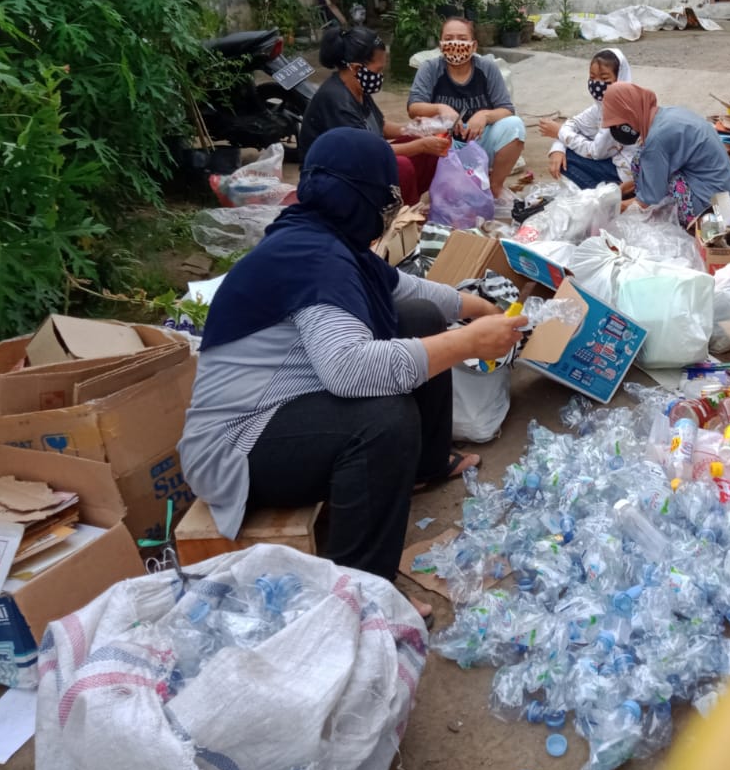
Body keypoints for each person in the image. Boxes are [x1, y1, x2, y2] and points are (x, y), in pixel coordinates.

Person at [179, 128, 527, 618]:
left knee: (422, 320)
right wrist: (467, 342)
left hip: (280, 409)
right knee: (384, 419)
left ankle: (425, 467)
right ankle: (363, 596)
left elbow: (410, 292)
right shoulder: (315, 257)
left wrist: (483, 310)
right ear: (359, 196)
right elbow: (348, 370)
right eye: (388, 197)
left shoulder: (322, 238)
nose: (391, 210)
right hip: (237, 443)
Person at [298, 25, 448, 205]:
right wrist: (421, 145)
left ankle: (405, 206)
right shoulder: (336, 100)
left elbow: (379, 125)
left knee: (429, 150)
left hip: (359, 163)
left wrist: (413, 129)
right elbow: (368, 152)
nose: (381, 76)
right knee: (402, 166)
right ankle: (400, 220)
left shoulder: (357, 88)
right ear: (355, 68)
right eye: (378, 71)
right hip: (331, 179)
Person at [407, 17, 526, 204]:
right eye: (449, 38)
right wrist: (440, 108)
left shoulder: (487, 68)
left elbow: (506, 109)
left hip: (479, 140)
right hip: (444, 143)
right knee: (417, 130)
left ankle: (495, 187)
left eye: (462, 39)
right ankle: (441, 187)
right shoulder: (430, 69)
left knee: (515, 126)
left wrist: (484, 115)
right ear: (440, 45)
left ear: (474, 45)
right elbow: (413, 108)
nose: (455, 44)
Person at [601, 82, 730, 224]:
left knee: (653, 190)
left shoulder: (656, 140)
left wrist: (607, 208)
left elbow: (648, 203)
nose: (616, 129)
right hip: (726, 193)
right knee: (642, 160)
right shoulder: (666, 114)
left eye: (617, 123)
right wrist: (618, 191)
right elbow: (651, 174)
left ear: (630, 111)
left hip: (712, 208)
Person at [540, 47, 637, 190]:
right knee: (566, 148)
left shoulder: (620, 110)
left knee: (568, 159)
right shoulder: (602, 106)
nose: (596, 84)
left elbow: (597, 152)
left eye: (604, 78)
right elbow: (574, 123)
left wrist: (560, 133)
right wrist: (558, 147)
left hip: (628, 173)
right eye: (592, 78)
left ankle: (605, 198)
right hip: (615, 162)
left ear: (620, 78)